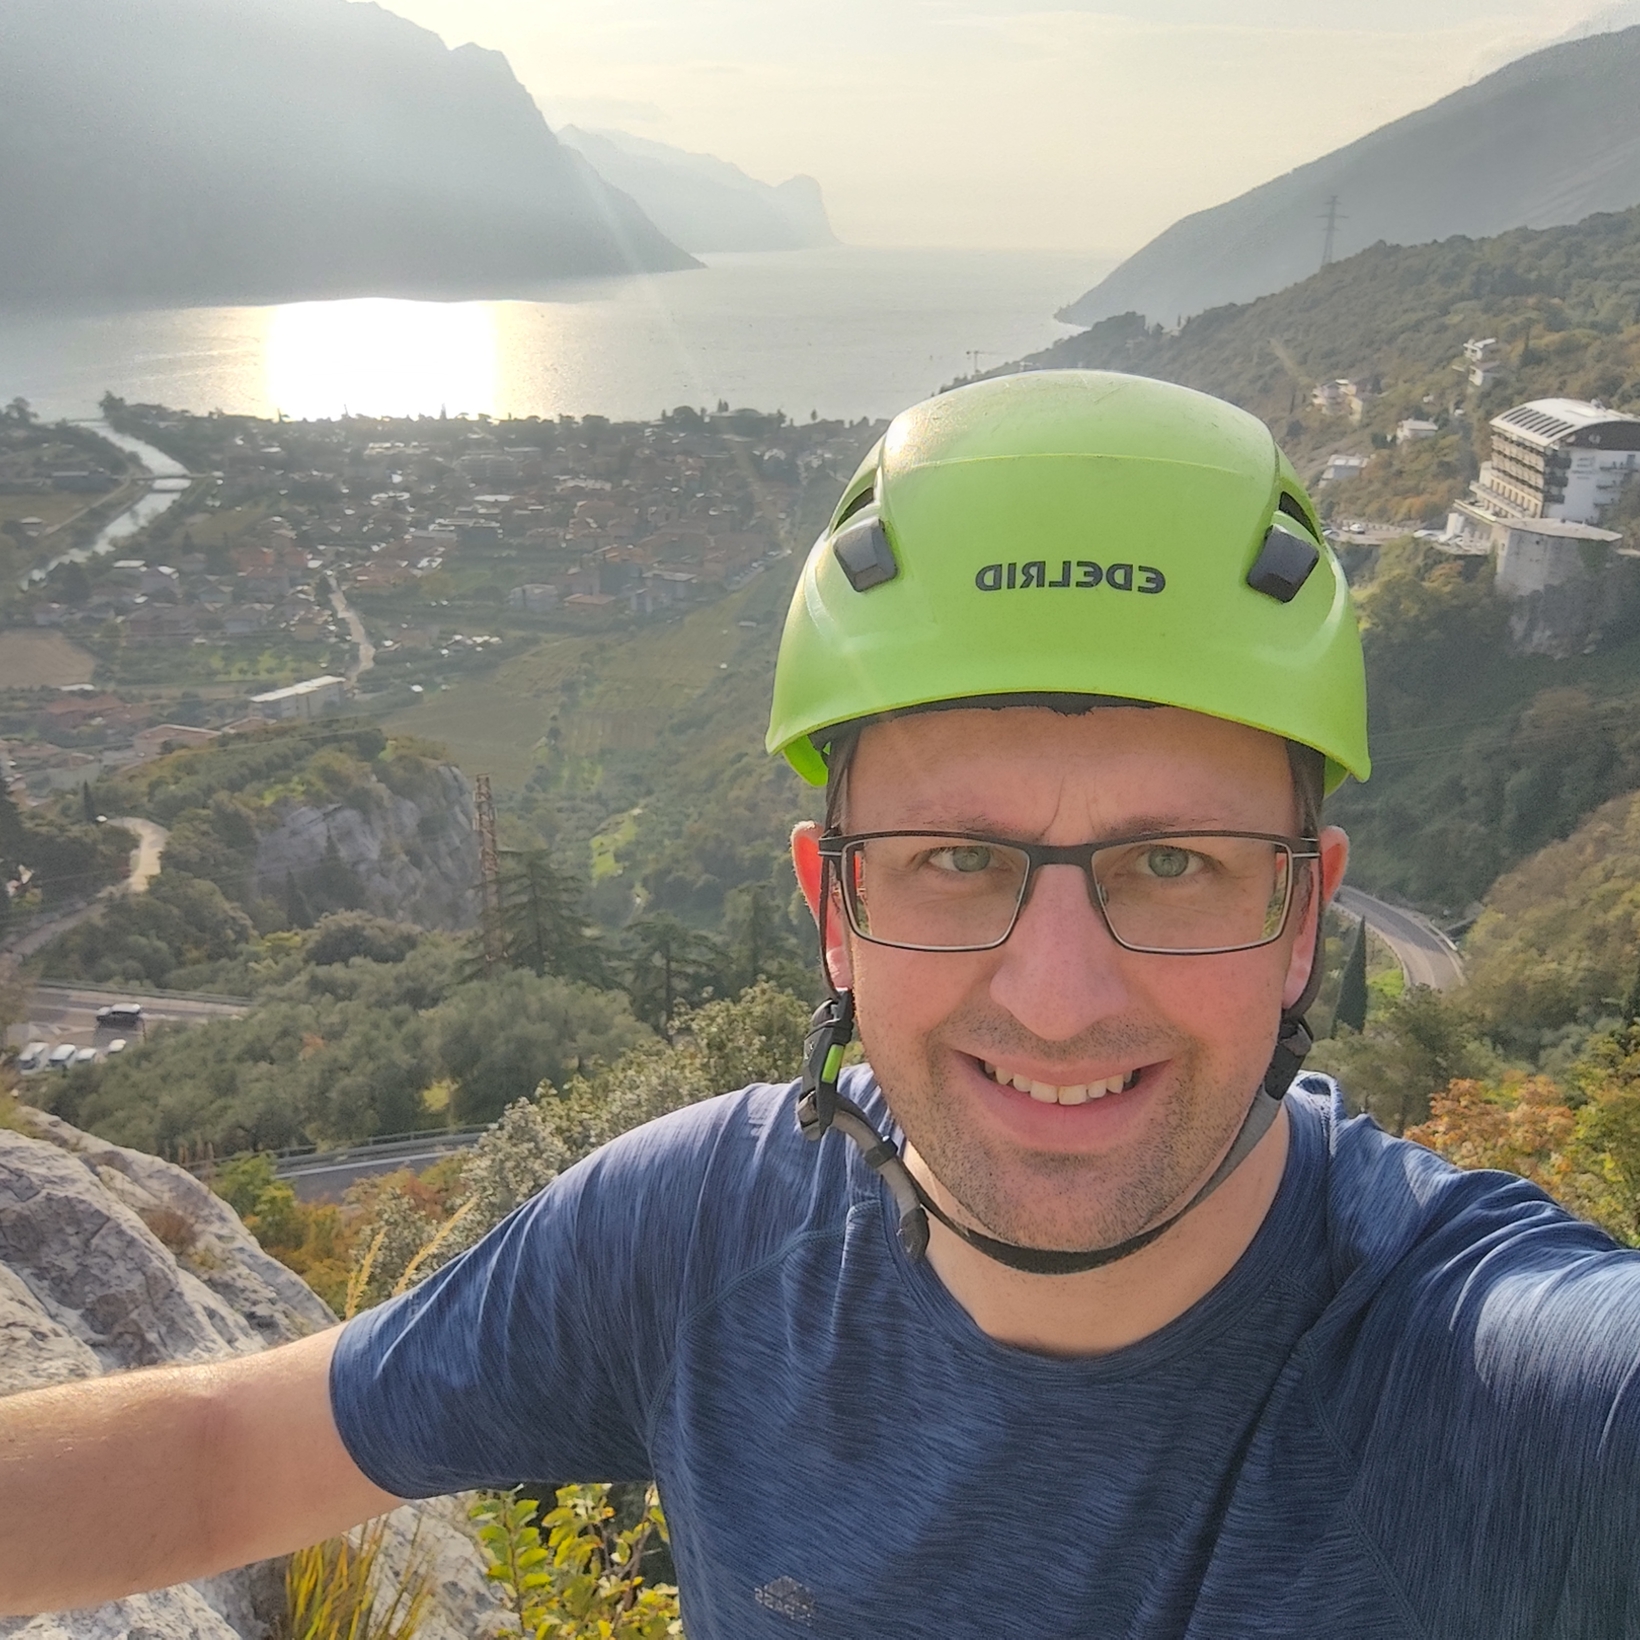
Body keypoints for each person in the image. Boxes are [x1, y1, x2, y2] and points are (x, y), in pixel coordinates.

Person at [4, 370, 1639, 1637]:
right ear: (832, 912)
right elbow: (222, 1452)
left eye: (1175, 867)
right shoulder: (703, 1234)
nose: (1058, 997)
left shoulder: (1495, 1393)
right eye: (950, 860)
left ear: (1304, 921)